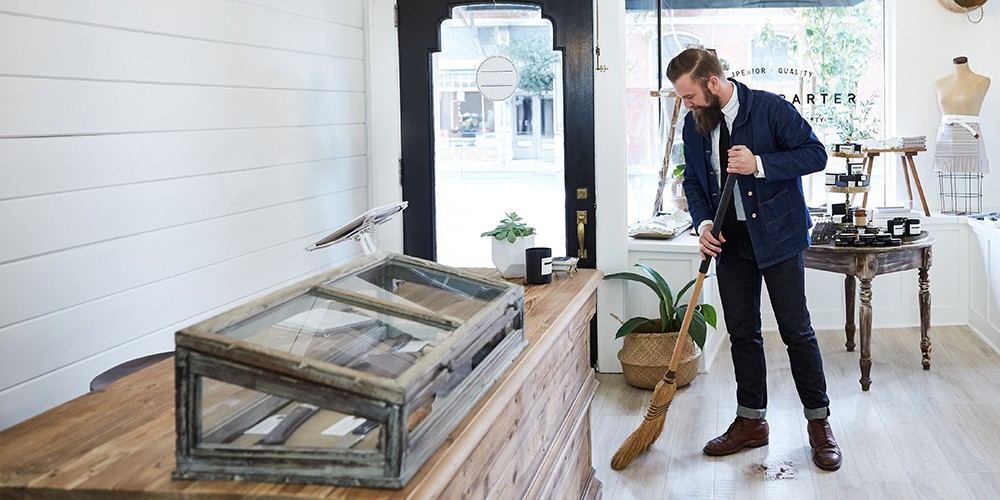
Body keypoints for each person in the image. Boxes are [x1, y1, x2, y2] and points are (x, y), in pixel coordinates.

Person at [665, 48, 841, 471]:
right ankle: (751, 422)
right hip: (730, 242)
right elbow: (692, 179)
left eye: (688, 96)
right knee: (743, 333)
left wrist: (759, 163)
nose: (685, 105)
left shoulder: (770, 108)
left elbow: (816, 154)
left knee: (796, 331)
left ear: (712, 82)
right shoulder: (695, 123)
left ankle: (819, 425)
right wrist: (705, 223)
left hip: (778, 236)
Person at [934, 56, 990, 173]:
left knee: (972, 186)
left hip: (970, 137)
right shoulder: (940, 83)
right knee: (946, 187)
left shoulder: (982, 81)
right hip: (946, 140)